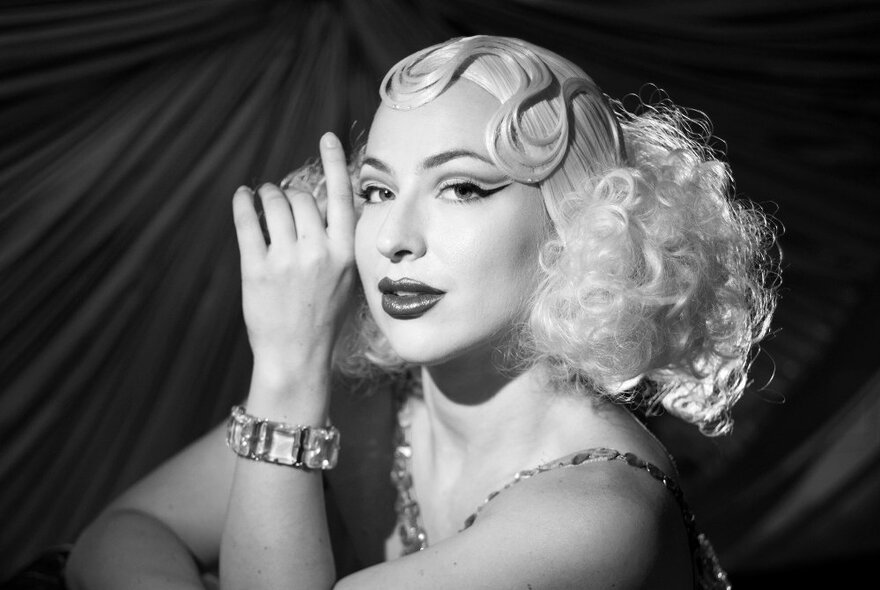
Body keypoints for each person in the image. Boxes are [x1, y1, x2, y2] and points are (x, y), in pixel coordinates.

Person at [63, 35, 776, 589]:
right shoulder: (374, 407)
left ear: (582, 225)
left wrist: (286, 367)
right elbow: (114, 535)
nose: (395, 239)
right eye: (375, 191)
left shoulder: (599, 513)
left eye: (462, 187)